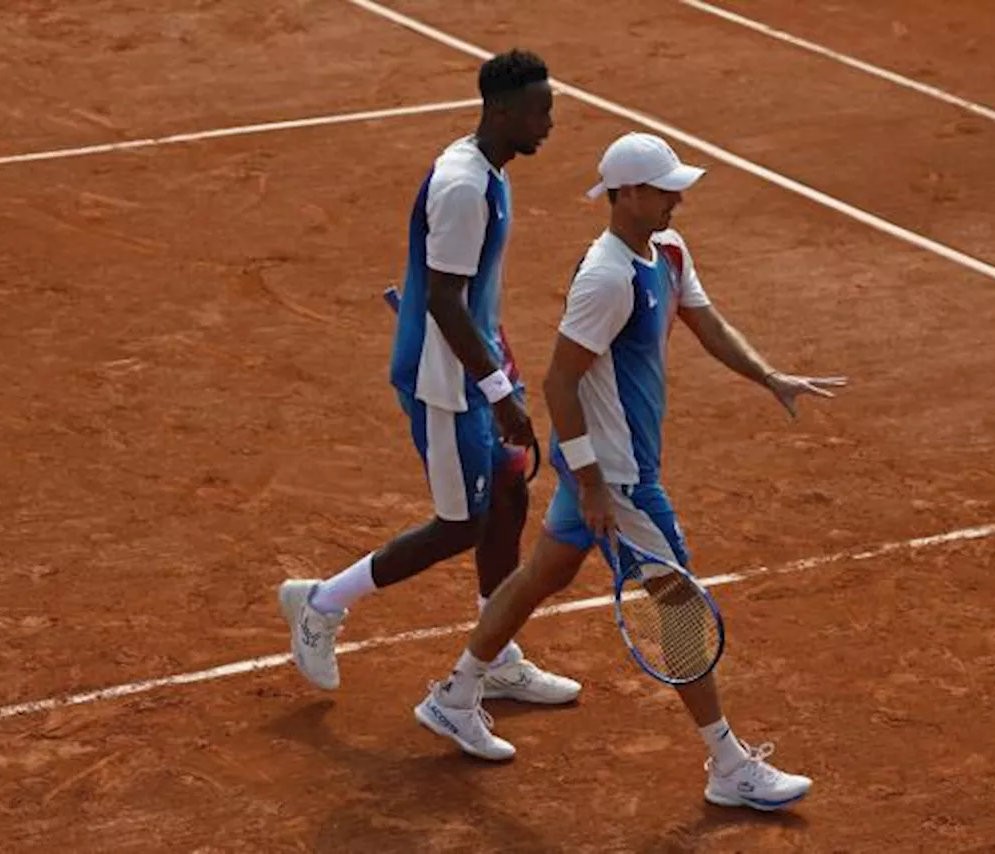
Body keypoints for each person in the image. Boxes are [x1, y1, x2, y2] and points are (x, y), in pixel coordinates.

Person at [413, 132, 848, 811]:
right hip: (617, 479)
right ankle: (729, 764)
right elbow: (560, 384)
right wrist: (591, 485)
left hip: (615, 468)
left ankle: (457, 693)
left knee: (543, 575)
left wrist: (769, 376)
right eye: (667, 189)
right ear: (629, 195)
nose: (679, 198)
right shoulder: (607, 277)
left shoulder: (668, 253)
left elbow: (706, 323)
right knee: (680, 608)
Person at [277, 49, 580, 707]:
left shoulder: (491, 173)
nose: (550, 123)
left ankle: (495, 653)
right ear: (501, 110)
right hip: (443, 382)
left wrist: (503, 369)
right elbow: (444, 300)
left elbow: (469, 298)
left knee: (509, 499)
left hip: (478, 365)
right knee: (461, 523)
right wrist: (497, 394)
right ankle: (322, 604)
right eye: (540, 110)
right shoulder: (464, 187)